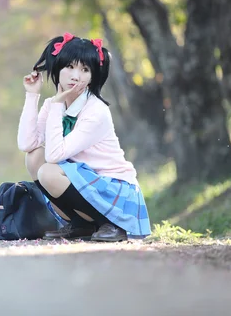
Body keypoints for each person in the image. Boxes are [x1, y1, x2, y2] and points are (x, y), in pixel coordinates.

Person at [17, 32, 151, 241]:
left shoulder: (96, 111)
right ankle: (80, 224)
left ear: (92, 77)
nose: (76, 76)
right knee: (34, 157)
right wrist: (32, 94)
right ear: (58, 67)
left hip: (114, 189)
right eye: (70, 67)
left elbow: (54, 155)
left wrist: (58, 104)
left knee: (48, 171)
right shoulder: (53, 105)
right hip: (87, 182)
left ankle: (113, 225)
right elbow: (27, 144)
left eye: (85, 70)